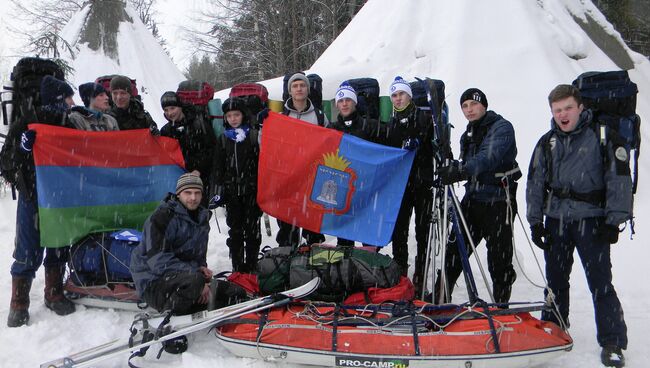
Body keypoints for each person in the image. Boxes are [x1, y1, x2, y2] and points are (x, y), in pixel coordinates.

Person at [526, 84, 629, 367]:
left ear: (580, 107)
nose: (563, 115)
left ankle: (612, 342)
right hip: (557, 220)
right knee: (555, 281)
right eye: (557, 110)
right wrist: (536, 222)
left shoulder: (602, 136)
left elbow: (618, 178)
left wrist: (614, 220)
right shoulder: (547, 142)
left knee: (600, 283)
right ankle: (553, 329)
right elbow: (535, 182)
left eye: (568, 108)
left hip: (592, 220)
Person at [436, 88, 520, 304]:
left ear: (484, 105)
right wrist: (452, 168)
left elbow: (487, 158)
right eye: (464, 106)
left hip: (499, 202)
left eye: (473, 104)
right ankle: (439, 298)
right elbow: (469, 164)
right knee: (454, 252)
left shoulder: (501, 127)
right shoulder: (468, 134)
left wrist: (461, 170)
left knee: (499, 260)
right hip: (473, 201)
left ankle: (501, 307)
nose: (469, 109)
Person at [6, 75, 77, 327]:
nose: (71, 102)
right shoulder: (26, 122)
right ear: (58, 99)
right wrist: (23, 150)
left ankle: (54, 293)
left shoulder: (70, 124)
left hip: (62, 198)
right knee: (28, 247)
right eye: (68, 97)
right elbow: (6, 161)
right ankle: (19, 303)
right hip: (33, 197)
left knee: (58, 245)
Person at [130, 173, 213, 315]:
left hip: (183, 279)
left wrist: (201, 269)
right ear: (178, 194)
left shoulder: (201, 219)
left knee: (231, 292)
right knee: (195, 282)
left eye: (197, 193)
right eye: (188, 192)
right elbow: (158, 261)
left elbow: (198, 255)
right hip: (153, 282)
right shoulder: (162, 218)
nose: (193, 198)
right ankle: (169, 317)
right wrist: (195, 276)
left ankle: (193, 304)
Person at [384, 76, 434, 296]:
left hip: (422, 184)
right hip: (401, 186)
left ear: (409, 96)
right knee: (399, 231)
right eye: (394, 95)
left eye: (401, 94)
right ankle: (400, 270)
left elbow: (431, 141)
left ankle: (421, 270)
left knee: (423, 231)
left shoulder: (424, 117)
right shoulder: (392, 123)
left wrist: (419, 141)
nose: (397, 98)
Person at [327, 81, 388, 247]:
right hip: (342, 191)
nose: (344, 103)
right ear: (337, 105)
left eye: (348, 99)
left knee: (367, 236)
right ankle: (346, 271)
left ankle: (367, 270)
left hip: (366, 189)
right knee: (344, 239)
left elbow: (393, 141)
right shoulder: (331, 129)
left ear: (354, 102)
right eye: (341, 100)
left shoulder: (370, 125)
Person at [275, 72, 329, 247]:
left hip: (312, 181)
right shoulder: (280, 116)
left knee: (313, 229)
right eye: (295, 86)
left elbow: (330, 146)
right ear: (290, 91)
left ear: (308, 89)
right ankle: (287, 265)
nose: (299, 89)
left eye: (302, 85)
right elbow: (268, 144)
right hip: (288, 180)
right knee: (287, 229)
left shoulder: (320, 117)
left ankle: (313, 268)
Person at [209, 98, 262, 272]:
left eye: (236, 115)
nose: (233, 118)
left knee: (253, 230)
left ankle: (252, 265)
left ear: (243, 115)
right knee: (236, 231)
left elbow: (262, 163)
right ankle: (238, 267)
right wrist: (218, 190)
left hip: (252, 192)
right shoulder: (223, 139)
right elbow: (218, 167)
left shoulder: (253, 135)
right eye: (229, 115)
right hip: (232, 194)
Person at [160, 91, 217, 203]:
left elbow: (212, 150)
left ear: (180, 106)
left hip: (201, 179)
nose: (169, 113)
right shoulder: (165, 131)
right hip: (178, 182)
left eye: (172, 108)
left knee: (200, 214)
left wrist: (198, 170)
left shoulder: (199, 124)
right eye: (166, 110)